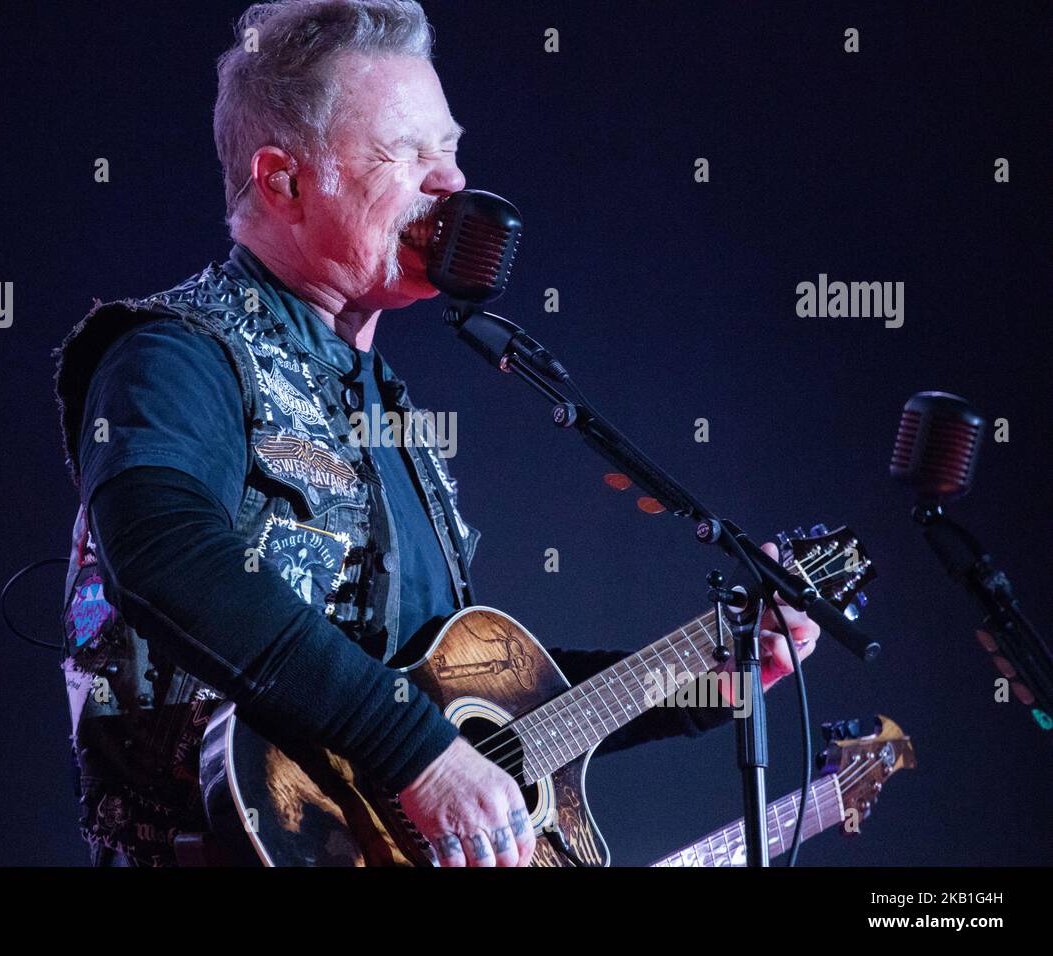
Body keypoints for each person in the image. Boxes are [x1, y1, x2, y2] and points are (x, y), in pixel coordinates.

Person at [51, 0, 821, 868]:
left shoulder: (386, 411)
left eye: (448, 148)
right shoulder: (175, 354)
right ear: (283, 180)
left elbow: (481, 711)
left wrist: (717, 676)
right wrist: (413, 748)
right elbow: (164, 554)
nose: (450, 183)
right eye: (404, 153)